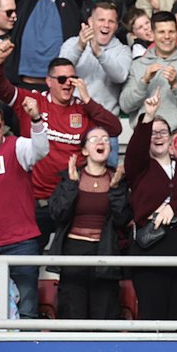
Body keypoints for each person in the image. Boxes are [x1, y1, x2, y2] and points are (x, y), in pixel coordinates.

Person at [0, 39, 122, 239]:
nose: (68, 84)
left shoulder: (83, 108)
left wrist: (87, 100)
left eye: (72, 79)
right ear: (49, 81)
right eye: (61, 79)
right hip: (38, 200)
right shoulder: (34, 101)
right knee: (33, 259)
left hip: (73, 199)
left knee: (70, 262)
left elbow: (115, 128)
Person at [125, 91, 177, 320]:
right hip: (150, 248)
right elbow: (135, 150)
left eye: (163, 132)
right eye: (153, 133)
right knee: (153, 313)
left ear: (171, 137)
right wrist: (148, 117)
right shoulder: (139, 167)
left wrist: (173, 208)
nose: (157, 136)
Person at [47, 125, 128, 319]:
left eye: (106, 139)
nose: (101, 142)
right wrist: (71, 186)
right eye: (94, 139)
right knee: (73, 311)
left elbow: (122, 220)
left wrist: (116, 189)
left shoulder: (117, 178)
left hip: (105, 250)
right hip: (74, 251)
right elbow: (57, 214)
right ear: (84, 150)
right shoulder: (70, 176)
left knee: (105, 312)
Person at [0, 99, 46, 319]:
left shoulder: (17, 146)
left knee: (27, 310)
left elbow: (41, 149)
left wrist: (36, 119)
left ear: (3, 126)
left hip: (21, 244)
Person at [118, 11, 177, 130]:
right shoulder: (137, 66)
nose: (167, 37)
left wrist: (176, 85)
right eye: (161, 32)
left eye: (171, 32)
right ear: (152, 34)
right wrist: (144, 81)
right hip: (144, 136)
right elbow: (125, 106)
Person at [57, 2, 128, 117]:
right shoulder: (71, 43)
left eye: (111, 21)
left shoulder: (123, 50)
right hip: (73, 116)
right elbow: (61, 72)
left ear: (116, 26)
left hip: (104, 118)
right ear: (90, 22)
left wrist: (99, 54)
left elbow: (120, 77)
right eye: (101, 20)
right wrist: (80, 47)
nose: (106, 25)